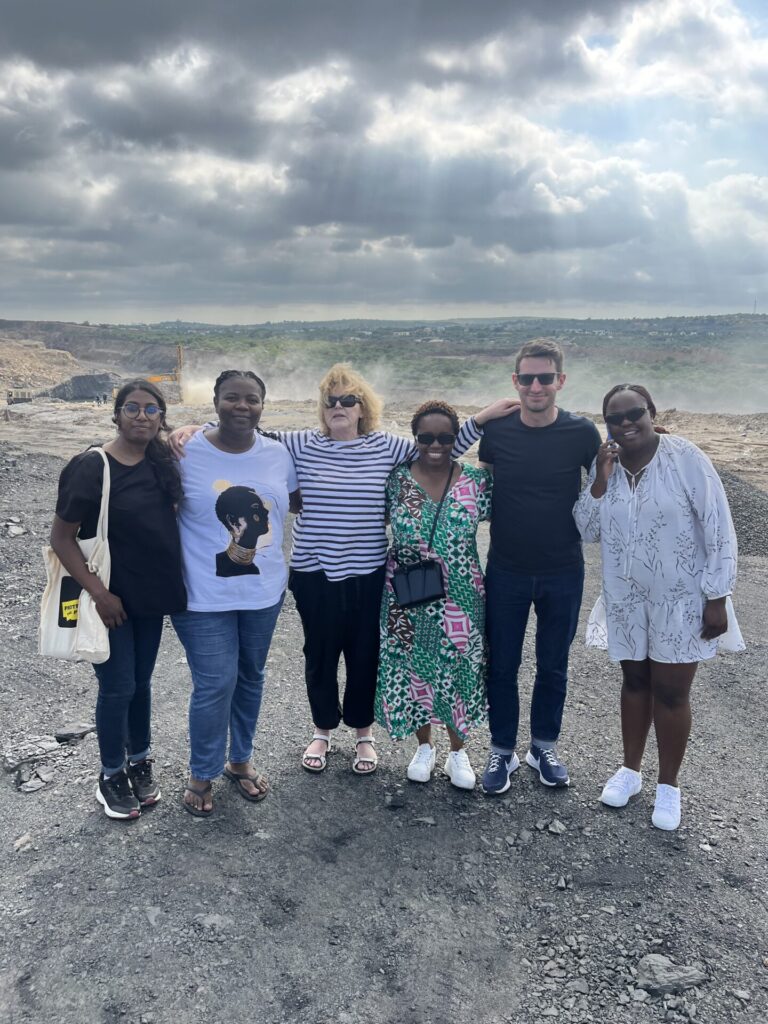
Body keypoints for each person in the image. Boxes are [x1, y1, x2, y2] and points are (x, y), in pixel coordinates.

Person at [171, 364, 515, 776]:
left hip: (369, 573)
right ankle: (321, 730)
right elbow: (243, 429)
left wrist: (482, 418)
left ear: (362, 407)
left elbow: (436, 448)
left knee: (364, 655)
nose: (338, 406)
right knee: (318, 655)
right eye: (330, 400)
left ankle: (363, 733)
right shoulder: (298, 444)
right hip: (314, 573)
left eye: (347, 399)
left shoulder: (387, 447)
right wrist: (192, 426)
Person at [573, 383, 744, 830]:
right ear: (606, 423)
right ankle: (630, 772)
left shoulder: (685, 458)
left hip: (681, 599)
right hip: (625, 598)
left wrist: (717, 597)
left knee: (671, 690)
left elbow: (719, 528)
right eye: (616, 418)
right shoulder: (604, 462)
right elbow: (586, 529)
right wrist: (601, 479)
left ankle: (668, 788)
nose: (627, 423)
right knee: (634, 681)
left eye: (635, 413)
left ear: (651, 412)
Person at [50, 380, 186, 820]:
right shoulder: (92, 466)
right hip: (108, 599)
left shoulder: (162, 462)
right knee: (117, 687)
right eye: (133, 407)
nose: (142, 416)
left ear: (162, 417)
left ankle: (139, 760)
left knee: (141, 684)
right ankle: (110, 774)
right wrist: (99, 592)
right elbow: (61, 538)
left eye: (151, 409)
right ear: (117, 414)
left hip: (149, 597)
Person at [171, 370, 299, 816]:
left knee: (250, 677)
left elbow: (295, 501)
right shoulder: (186, 452)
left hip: (264, 593)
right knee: (214, 683)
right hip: (200, 596)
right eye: (232, 398)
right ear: (216, 401)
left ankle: (239, 760)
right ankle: (201, 772)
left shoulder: (278, 454)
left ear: (263, 405)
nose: (242, 407)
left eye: (251, 399)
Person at [479, 339, 601, 794]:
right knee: (502, 665)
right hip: (507, 568)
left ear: (560, 382)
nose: (535, 386)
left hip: (563, 570)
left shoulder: (583, 432)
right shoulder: (498, 431)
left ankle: (543, 746)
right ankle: (501, 751)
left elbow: (607, 482)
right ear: (515, 381)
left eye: (544, 378)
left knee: (554, 665)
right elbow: (482, 478)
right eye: (526, 378)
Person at [375, 401, 492, 790]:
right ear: (416, 439)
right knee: (415, 668)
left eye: (445, 437)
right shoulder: (396, 480)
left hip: (462, 595)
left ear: (456, 438)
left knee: (460, 670)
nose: (436, 445)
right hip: (407, 594)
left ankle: (458, 750)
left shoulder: (476, 481)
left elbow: (529, 493)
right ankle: (424, 746)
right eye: (426, 438)